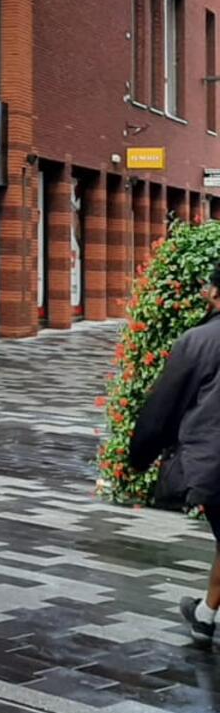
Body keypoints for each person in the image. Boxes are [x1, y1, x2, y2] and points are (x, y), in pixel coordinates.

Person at [130, 265, 220, 650]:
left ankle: (205, 615)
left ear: (216, 293)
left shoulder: (199, 341)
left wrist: (140, 456)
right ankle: (205, 614)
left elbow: (163, 407)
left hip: (213, 465)